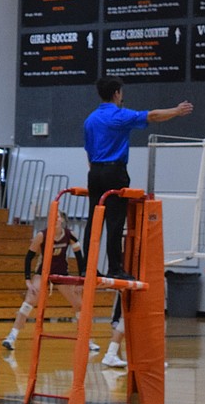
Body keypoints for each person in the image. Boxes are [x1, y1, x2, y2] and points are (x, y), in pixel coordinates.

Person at [82, 76, 193, 279]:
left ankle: (86, 267)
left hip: (94, 172)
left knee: (94, 220)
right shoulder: (119, 116)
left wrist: (97, 170)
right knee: (115, 221)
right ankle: (115, 268)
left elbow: (89, 152)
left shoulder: (90, 120)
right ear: (117, 93)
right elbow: (153, 116)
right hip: (114, 171)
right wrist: (176, 111)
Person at [0, 210, 122, 363]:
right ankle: (12, 337)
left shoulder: (70, 235)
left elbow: (79, 258)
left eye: (58, 216)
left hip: (61, 274)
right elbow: (28, 257)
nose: (55, 219)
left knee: (80, 305)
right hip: (43, 273)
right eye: (53, 216)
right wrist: (28, 281)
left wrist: (80, 280)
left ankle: (87, 340)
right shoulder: (42, 235)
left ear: (62, 220)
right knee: (29, 301)